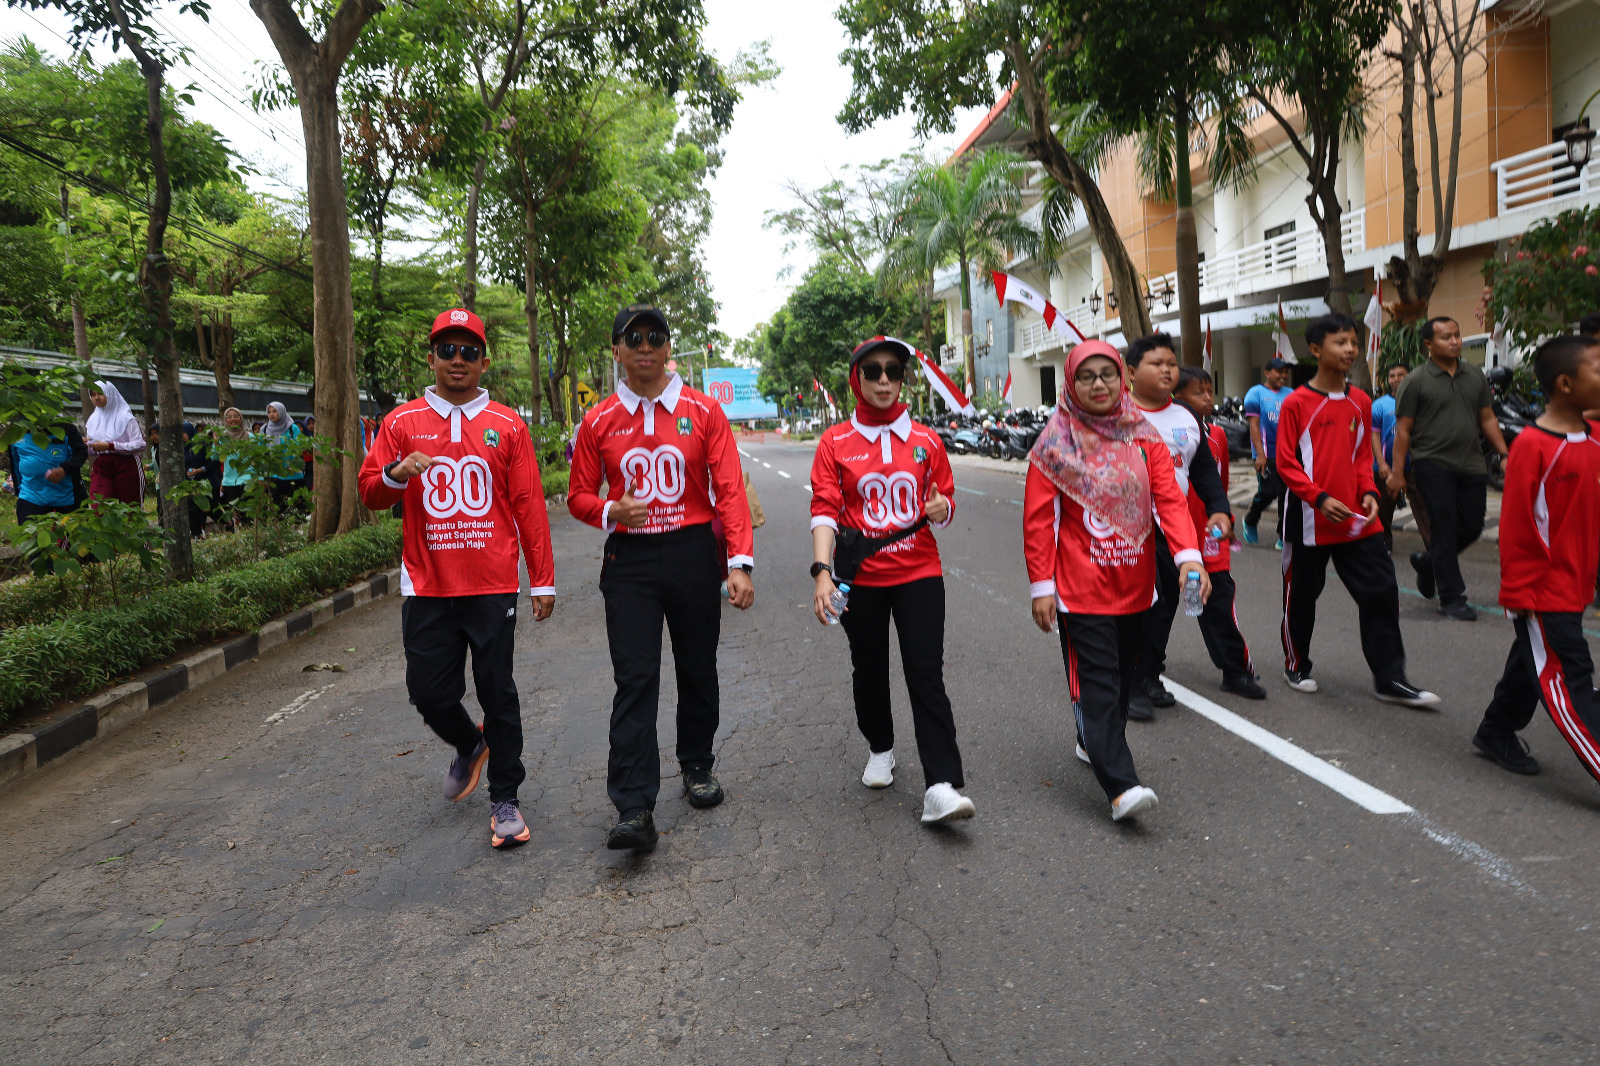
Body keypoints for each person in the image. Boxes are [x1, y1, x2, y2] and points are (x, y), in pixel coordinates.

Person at [357, 307, 556, 850]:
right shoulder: (401, 422)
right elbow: (369, 490)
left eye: (469, 351)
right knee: (427, 691)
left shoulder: (508, 425)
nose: (458, 360)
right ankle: (470, 745)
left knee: (499, 692)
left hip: (491, 584)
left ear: (484, 360)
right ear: (432, 357)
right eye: (448, 349)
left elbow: (528, 505)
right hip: (428, 585)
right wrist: (397, 473)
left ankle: (505, 800)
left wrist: (542, 579)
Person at [568, 303, 754, 851]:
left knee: (698, 667)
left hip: (694, 553)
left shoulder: (703, 411)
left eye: (656, 336)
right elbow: (578, 494)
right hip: (631, 562)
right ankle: (633, 804)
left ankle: (698, 765)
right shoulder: (598, 420)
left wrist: (738, 563)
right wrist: (611, 513)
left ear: (669, 347)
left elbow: (729, 490)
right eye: (634, 337)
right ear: (617, 351)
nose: (645, 345)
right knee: (636, 678)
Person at [1023, 340, 1210, 823]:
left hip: (1136, 585)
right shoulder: (1054, 444)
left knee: (1122, 682)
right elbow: (1040, 521)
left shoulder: (1143, 436)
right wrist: (1042, 586)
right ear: (1071, 382)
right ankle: (1121, 785)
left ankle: (1094, 737)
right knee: (1100, 682)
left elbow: (1170, 499)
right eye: (1087, 376)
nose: (1099, 384)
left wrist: (1190, 559)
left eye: (1107, 373)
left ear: (1120, 378)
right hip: (1079, 588)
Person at [808, 336, 974, 825]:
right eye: (874, 371)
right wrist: (822, 573)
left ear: (903, 379)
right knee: (869, 670)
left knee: (926, 674)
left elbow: (941, 505)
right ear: (856, 378)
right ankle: (881, 746)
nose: (884, 380)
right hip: (860, 579)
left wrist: (943, 508)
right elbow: (825, 510)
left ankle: (941, 786)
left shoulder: (926, 441)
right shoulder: (834, 442)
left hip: (920, 573)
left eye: (893, 372)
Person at [1276, 314, 1439, 707]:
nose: (1350, 349)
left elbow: (1362, 454)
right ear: (1316, 350)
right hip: (1310, 518)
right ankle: (1296, 663)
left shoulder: (1361, 400)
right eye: (1340, 342)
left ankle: (1390, 679)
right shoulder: (1297, 402)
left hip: (1357, 520)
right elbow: (1285, 462)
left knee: (1381, 590)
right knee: (1302, 595)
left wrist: (1368, 490)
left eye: (1353, 342)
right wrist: (1318, 498)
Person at [1470, 334, 1600, 783]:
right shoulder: (1532, 446)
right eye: (1597, 368)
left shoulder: (1593, 438)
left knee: (1532, 661)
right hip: (1544, 589)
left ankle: (1495, 730)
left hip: (1575, 582)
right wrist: (1520, 592)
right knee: (1570, 677)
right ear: (1565, 383)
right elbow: (1518, 527)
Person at [1123, 335, 1241, 717]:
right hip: (1128, 531)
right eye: (1156, 363)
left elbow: (1204, 471)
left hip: (1175, 528)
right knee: (1137, 608)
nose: (1167, 369)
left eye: (1171, 362)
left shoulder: (1186, 417)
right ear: (1130, 372)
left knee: (1168, 604)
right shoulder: (1116, 416)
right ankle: (1128, 684)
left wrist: (1220, 509)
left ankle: (1149, 675)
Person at [1387, 317, 1509, 620]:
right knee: (1442, 527)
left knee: (1472, 524)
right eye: (1446, 337)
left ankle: (1429, 563)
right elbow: (1403, 430)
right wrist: (1397, 472)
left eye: (1456, 335)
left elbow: (1487, 418)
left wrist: (1505, 453)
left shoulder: (1474, 376)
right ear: (1429, 344)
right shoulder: (1415, 381)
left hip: (1471, 463)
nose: (1454, 341)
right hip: (1431, 464)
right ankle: (1452, 597)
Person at [1173, 366, 1264, 699]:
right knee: (1158, 609)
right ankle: (1146, 671)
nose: (1208, 398)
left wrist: (1223, 520)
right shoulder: (1161, 433)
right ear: (1177, 396)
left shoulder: (1218, 436)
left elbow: (1218, 485)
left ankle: (1235, 671)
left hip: (1208, 541)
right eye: (1199, 392)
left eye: (1210, 390)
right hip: (1171, 540)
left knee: (1216, 603)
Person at [1242, 356, 1295, 547]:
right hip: (1267, 453)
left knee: (1288, 495)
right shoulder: (1255, 394)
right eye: (1279, 371)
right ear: (1267, 373)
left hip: (1288, 454)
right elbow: (1254, 426)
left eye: (1285, 372)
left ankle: (1284, 535)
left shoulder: (1291, 393)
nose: (1283, 375)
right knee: (1269, 491)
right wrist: (1260, 454)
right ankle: (1250, 519)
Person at [5, 419, 87, 522]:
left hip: (68, 496)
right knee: (30, 535)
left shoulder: (65, 428)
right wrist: (17, 488)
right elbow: (15, 463)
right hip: (31, 495)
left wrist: (64, 470)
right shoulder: (16, 431)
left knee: (77, 534)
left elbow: (81, 453)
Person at [1369, 363, 1411, 553]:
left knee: (1426, 509)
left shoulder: (1419, 401)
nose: (1396, 379)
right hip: (1387, 468)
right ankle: (1384, 543)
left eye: (1400, 375)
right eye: (1392, 376)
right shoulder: (1379, 405)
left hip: (1415, 466)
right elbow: (1374, 435)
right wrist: (1380, 462)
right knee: (1384, 509)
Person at [84, 380, 145, 505]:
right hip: (102, 465)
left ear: (109, 394)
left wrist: (111, 446)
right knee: (98, 506)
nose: (96, 398)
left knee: (131, 509)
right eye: (93, 394)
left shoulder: (126, 418)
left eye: (100, 394)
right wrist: (87, 445)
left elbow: (140, 444)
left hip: (127, 465)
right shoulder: (93, 420)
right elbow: (93, 450)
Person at [262, 402, 306, 509]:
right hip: (274, 474)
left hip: (293, 473)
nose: (272, 414)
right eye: (269, 412)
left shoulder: (292, 428)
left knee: (297, 505)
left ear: (281, 412)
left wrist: (294, 465)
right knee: (277, 506)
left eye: (275, 411)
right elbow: (261, 450)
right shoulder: (265, 430)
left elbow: (299, 448)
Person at [217, 407, 252, 524]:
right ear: (225, 420)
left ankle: (250, 538)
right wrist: (215, 442)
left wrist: (260, 478)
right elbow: (214, 457)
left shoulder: (250, 437)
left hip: (247, 480)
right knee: (234, 514)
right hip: (229, 481)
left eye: (236, 416)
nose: (233, 419)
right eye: (229, 416)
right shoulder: (222, 438)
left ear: (241, 418)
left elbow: (257, 459)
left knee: (248, 515)